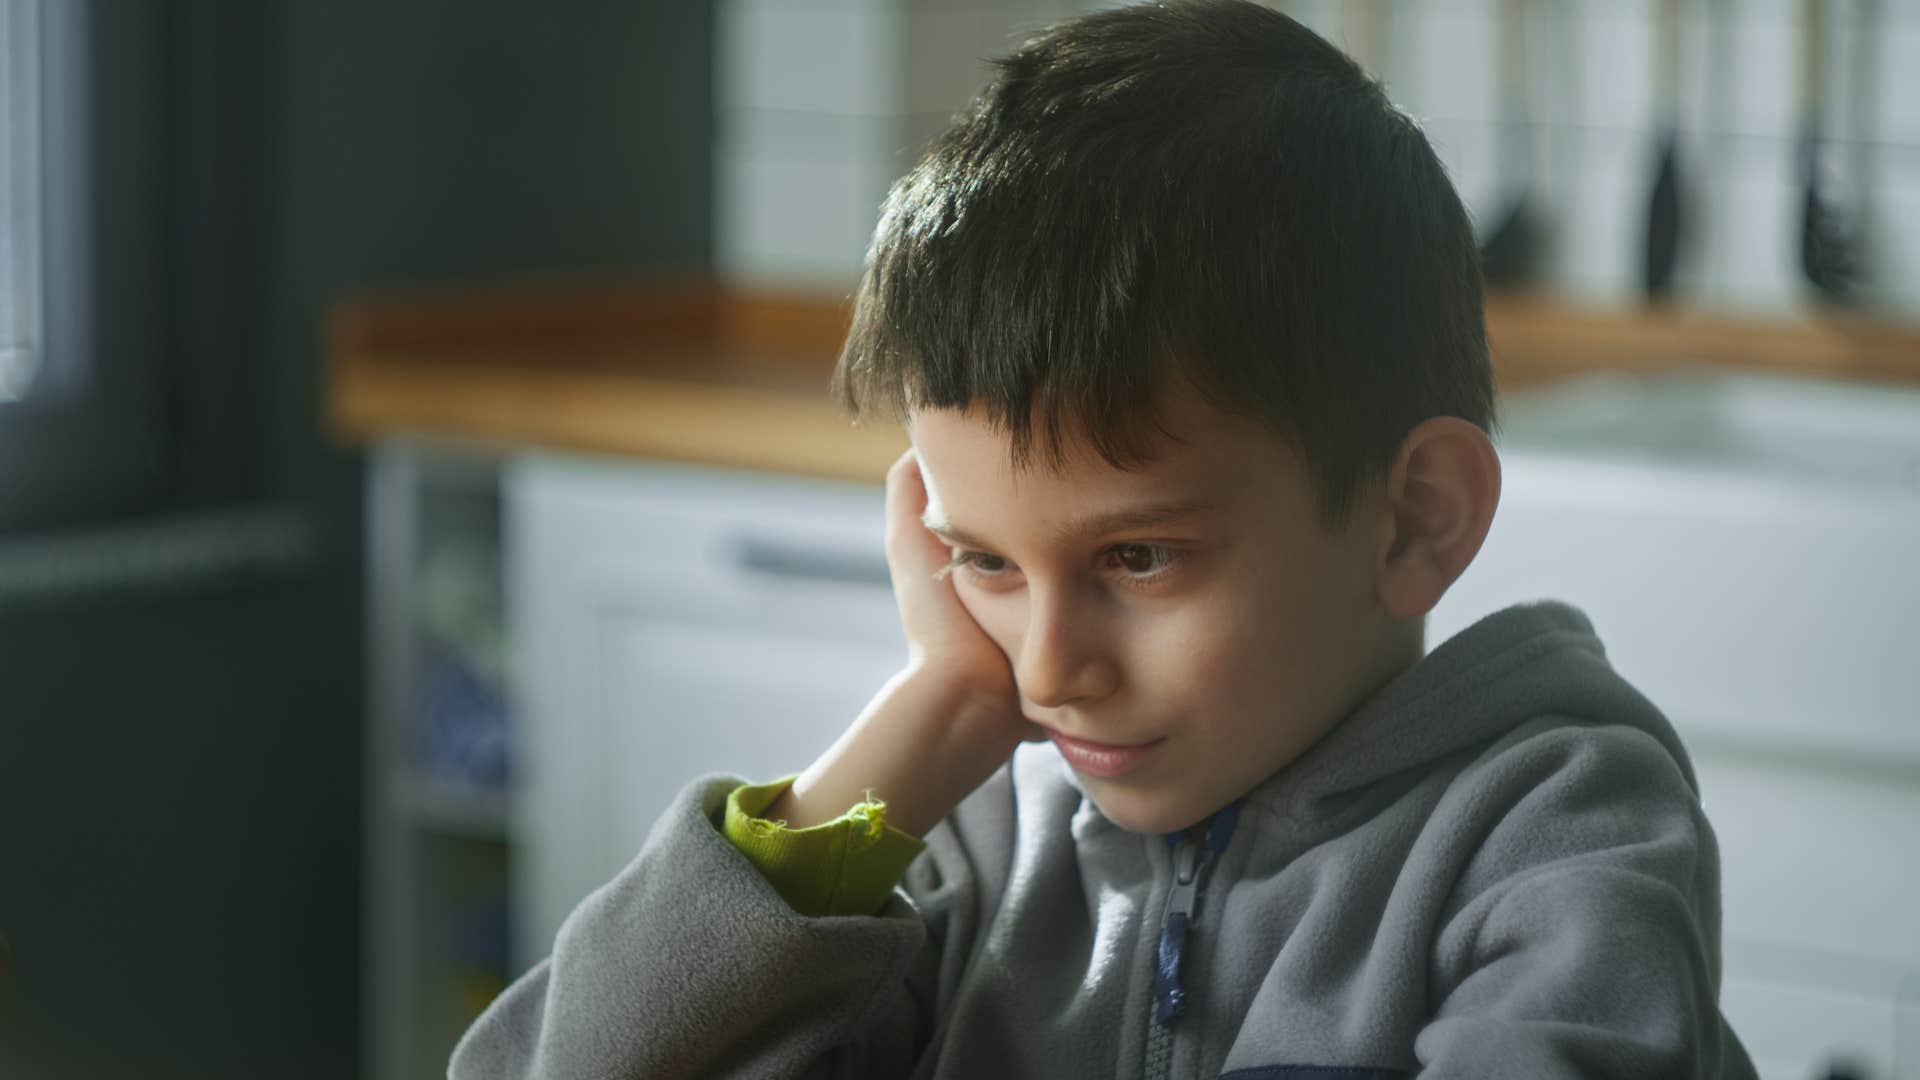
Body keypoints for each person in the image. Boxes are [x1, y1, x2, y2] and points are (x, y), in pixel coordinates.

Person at [451, 2, 1757, 1076]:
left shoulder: (1555, 830)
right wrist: (929, 715)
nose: (1046, 669)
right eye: (987, 562)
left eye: (1137, 559)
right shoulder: (979, 834)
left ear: (1415, 517)